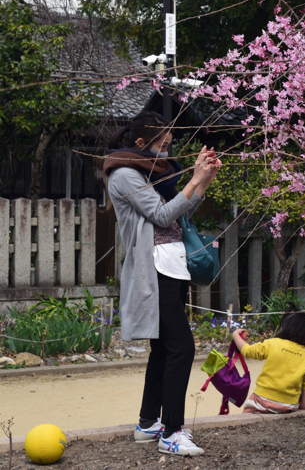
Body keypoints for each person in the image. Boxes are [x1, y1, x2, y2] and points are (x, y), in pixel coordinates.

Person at [104, 111, 221, 456]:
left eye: (170, 144)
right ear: (141, 143)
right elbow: (160, 215)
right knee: (181, 347)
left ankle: (147, 423)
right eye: (163, 145)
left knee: (164, 349)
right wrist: (193, 179)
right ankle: (171, 432)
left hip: (172, 265)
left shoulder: (151, 173)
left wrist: (203, 181)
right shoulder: (125, 174)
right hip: (154, 269)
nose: (167, 151)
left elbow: (178, 216)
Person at [231, 311, 305, 414]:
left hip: (260, 400)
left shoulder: (274, 343)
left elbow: (248, 351)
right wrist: (303, 406)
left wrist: (235, 335)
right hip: (288, 405)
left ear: (286, 328)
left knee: (248, 416)